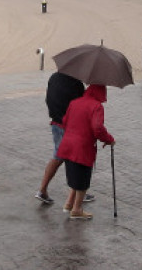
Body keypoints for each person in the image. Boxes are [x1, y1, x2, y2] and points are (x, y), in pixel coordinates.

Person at [35, 72, 95, 206]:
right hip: (68, 125)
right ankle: (77, 193)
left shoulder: (54, 77)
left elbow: (48, 99)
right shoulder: (75, 83)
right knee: (74, 159)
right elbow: (80, 105)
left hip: (55, 122)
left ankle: (43, 190)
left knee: (58, 156)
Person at [56, 84, 115, 220]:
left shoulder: (74, 102)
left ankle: (69, 204)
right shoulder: (96, 106)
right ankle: (76, 209)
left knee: (74, 176)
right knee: (82, 180)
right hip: (82, 147)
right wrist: (109, 139)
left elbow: (64, 121)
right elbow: (97, 128)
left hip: (68, 144)